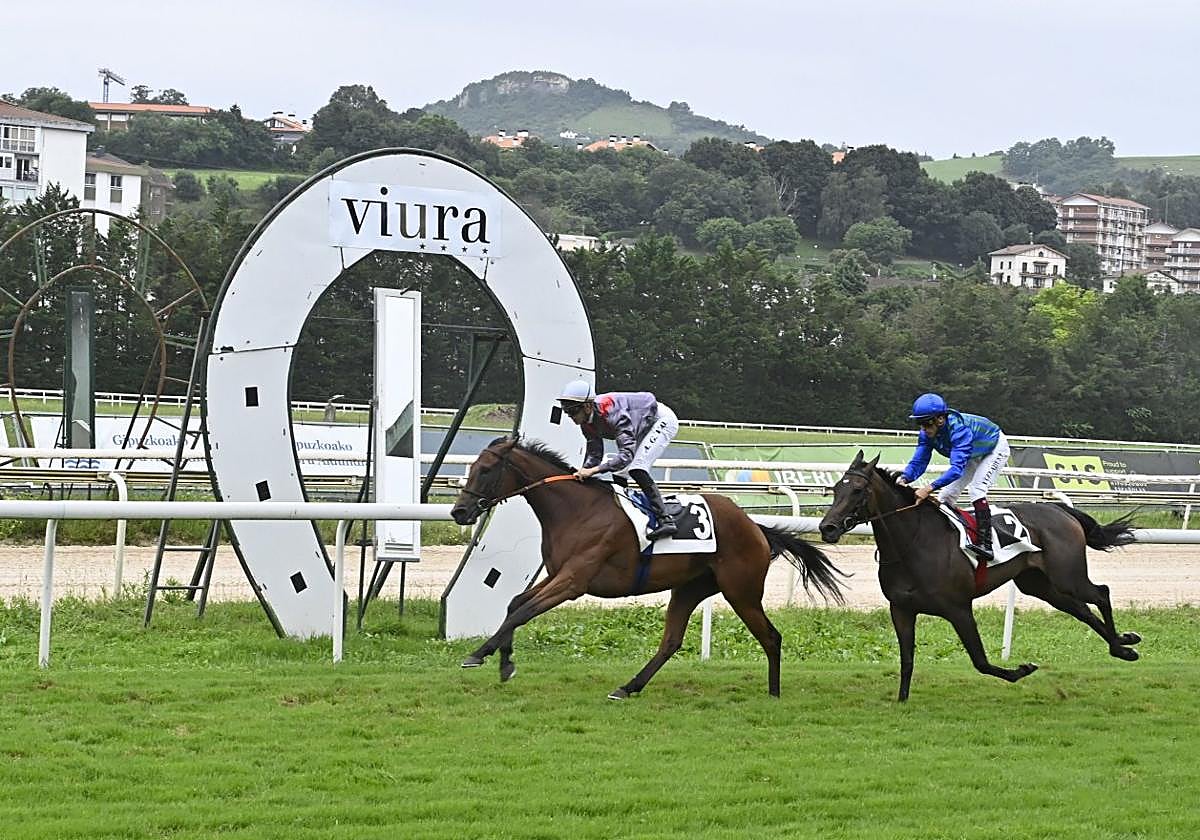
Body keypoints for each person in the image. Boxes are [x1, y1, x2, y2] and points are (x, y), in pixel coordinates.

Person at [557, 379, 680, 540]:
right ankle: (622, 517)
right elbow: (594, 455)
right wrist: (582, 472)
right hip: (641, 422)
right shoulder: (586, 422)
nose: (570, 416)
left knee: (637, 468)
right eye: (566, 412)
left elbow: (625, 456)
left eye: (572, 411)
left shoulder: (614, 415)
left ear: (587, 406)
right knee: (621, 473)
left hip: (660, 420)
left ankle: (665, 520)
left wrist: (592, 471)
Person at [898, 392, 1010, 561]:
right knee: (946, 496)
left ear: (940, 419)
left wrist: (929, 488)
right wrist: (905, 478)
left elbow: (956, 469)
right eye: (919, 423)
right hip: (973, 452)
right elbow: (919, 461)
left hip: (994, 448)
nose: (923, 429)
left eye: (926, 423)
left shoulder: (959, 430)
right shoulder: (927, 434)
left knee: (976, 490)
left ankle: (986, 544)